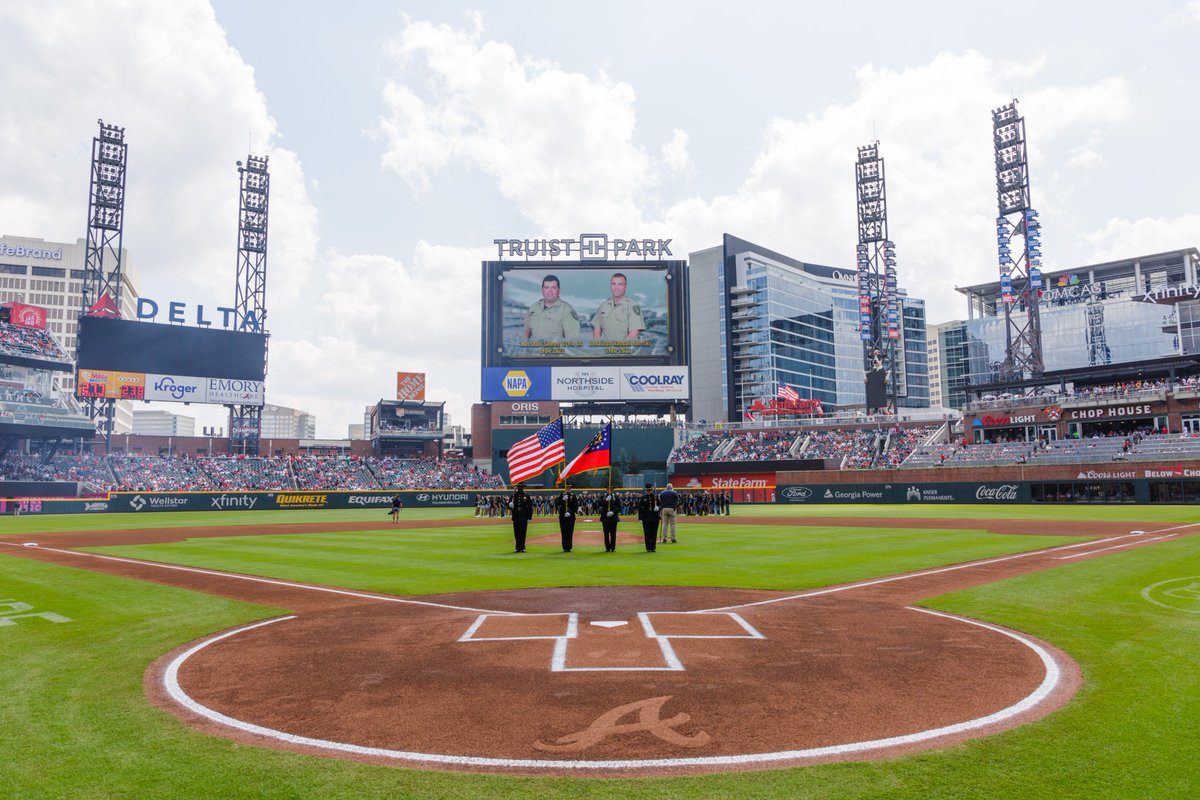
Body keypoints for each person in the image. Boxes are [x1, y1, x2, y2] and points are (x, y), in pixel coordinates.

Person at [524, 274, 580, 340]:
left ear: (558, 290)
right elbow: (526, 331)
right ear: (542, 290)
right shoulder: (533, 307)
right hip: (533, 350)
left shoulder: (567, 310)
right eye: (546, 287)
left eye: (553, 288)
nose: (550, 291)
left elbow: (573, 341)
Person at [591, 272, 645, 340]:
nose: (616, 287)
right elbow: (596, 331)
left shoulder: (632, 306)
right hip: (605, 349)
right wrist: (599, 346)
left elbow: (634, 333)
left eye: (620, 284)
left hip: (625, 349)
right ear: (610, 286)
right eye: (613, 284)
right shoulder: (603, 305)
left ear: (625, 286)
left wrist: (620, 349)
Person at [508, 484, 534, 553]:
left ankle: (523, 547)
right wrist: (510, 505)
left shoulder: (527, 496)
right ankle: (517, 547)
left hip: (524, 517)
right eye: (519, 487)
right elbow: (508, 506)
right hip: (516, 517)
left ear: (523, 488)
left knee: (523, 533)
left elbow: (530, 507)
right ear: (517, 488)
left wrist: (529, 517)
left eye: (521, 487)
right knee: (516, 533)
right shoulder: (513, 496)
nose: (520, 488)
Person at [554, 485, 578, 552]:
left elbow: (575, 506)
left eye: (569, 488)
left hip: (571, 517)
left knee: (570, 532)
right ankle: (564, 547)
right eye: (567, 488)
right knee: (563, 532)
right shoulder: (561, 495)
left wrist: (570, 512)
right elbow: (556, 504)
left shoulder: (573, 496)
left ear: (571, 489)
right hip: (563, 517)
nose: (568, 489)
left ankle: (569, 547)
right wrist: (562, 499)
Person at [636, 483, 660, 552]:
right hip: (646, 519)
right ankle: (648, 548)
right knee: (647, 534)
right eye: (647, 490)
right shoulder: (643, 498)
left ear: (652, 490)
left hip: (655, 518)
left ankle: (653, 547)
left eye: (649, 490)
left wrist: (658, 508)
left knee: (654, 533)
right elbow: (640, 508)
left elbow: (661, 505)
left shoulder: (656, 497)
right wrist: (640, 518)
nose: (648, 491)